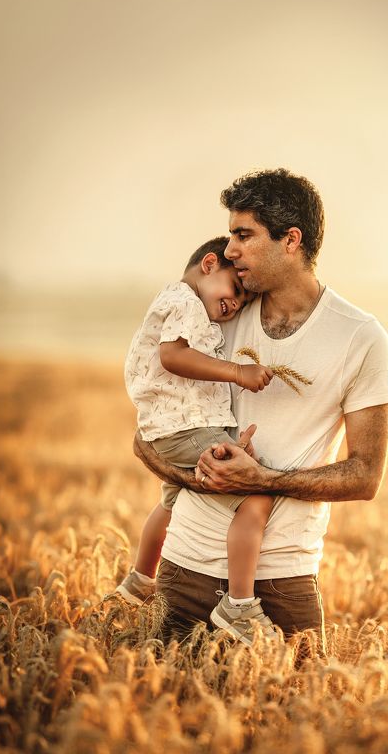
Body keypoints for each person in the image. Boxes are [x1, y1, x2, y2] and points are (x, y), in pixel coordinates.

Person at [133, 168, 388, 650]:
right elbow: (146, 431)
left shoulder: (361, 337)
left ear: (291, 240)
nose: (230, 250)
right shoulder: (214, 313)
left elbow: (365, 476)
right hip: (184, 567)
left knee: (294, 717)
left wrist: (261, 482)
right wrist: (194, 478)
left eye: (243, 235)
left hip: (283, 579)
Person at [117, 236, 279, 642]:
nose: (234, 305)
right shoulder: (184, 301)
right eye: (235, 291)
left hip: (175, 428)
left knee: (170, 503)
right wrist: (237, 372)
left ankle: (139, 581)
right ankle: (238, 606)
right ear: (209, 264)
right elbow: (172, 356)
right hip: (183, 428)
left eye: (241, 303)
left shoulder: (187, 304)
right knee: (256, 494)